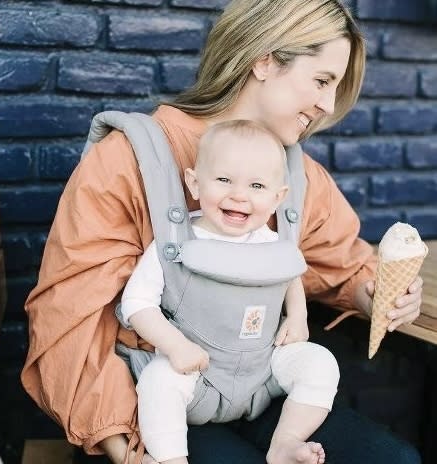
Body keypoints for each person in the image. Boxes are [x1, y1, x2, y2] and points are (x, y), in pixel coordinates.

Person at [21, 1, 424, 464]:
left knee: (392, 458)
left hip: (258, 384)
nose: (329, 106)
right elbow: (70, 322)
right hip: (149, 403)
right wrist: (128, 453)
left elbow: (341, 264)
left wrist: (376, 295)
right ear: (266, 60)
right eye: (322, 81)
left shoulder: (299, 175)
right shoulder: (126, 160)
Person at [116, 119, 339, 464]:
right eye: (223, 180)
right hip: (197, 377)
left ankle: (286, 441)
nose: (239, 195)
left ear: (278, 197)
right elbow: (137, 304)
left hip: (262, 370)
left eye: (257, 185)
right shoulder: (175, 243)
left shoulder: (272, 242)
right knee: (158, 380)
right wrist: (175, 346)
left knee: (321, 362)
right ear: (194, 183)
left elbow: (291, 274)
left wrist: (298, 315)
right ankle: (171, 459)